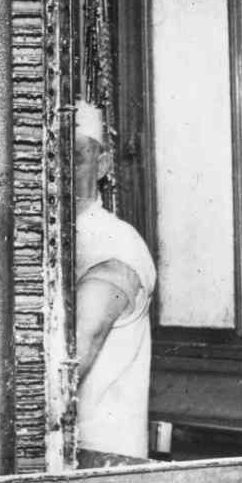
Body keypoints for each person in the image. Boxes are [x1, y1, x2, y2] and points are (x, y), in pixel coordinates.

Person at [74, 99, 156, 464]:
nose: (58, 170)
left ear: (104, 164)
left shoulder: (118, 245)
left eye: (75, 157)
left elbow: (75, 352)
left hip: (102, 458)